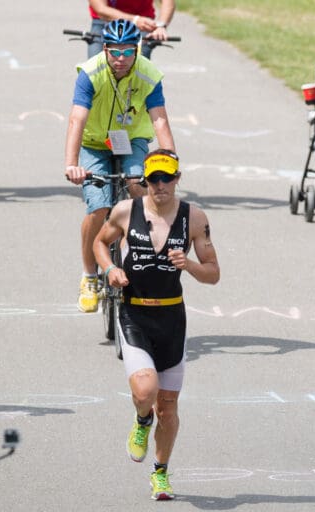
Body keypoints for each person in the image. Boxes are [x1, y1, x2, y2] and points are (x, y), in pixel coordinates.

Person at [93, 149, 220, 500]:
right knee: (146, 392)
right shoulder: (125, 212)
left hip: (171, 318)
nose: (160, 185)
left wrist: (189, 265)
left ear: (178, 178)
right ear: (145, 181)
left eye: (167, 178)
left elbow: (213, 273)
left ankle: (161, 473)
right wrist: (110, 269)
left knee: (168, 406)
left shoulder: (194, 218)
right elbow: (99, 243)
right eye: (153, 179)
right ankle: (141, 420)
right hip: (134, 313)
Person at [65, 19, 175, 313]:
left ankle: (145, 257)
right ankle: (89, 276)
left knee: (140, 186)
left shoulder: (148, 74)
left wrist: (170, 159)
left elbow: (159, 119)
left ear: (137, 50)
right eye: (116, 51)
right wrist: (71, 163)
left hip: (132, 139)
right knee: (98, 207)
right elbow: (77, 118)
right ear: (105, 49)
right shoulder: (90, 72)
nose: (122, 58)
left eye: (129, 51)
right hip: (95, 142)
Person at [86, 0, 176, 59]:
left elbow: (168, 2)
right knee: (94, 65)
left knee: (140, 60)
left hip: (143, 23)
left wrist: (161, 25)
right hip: (105, 21)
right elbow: (101, 9)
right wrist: (134, 20)